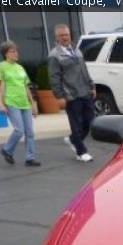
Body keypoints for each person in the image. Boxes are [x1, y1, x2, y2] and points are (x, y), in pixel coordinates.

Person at [48, 24, 96, 163]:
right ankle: (81, 152)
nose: (65, 37)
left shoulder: (77, 50)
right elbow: (54, 78)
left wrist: (92, 85)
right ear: (57, 37)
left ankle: (72, 139)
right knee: (76, 123)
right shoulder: (54, 56)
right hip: (71, 95)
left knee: (89, 122)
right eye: (62, 35)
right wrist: (60, 96)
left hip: (85, 92)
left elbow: (84, 70)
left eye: (66, 35)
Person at [0, 41, 40, 166]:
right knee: (19, 130)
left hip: (24, 103)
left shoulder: (20, 68)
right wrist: (1, 104)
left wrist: (33, 104)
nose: (16, 53)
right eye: (12, 51)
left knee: (30, 132)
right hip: (11, 102)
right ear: (5, 54)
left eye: (16, 51)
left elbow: (27, 87)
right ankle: (7, 149)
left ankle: (30, 158)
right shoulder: (0, 67)